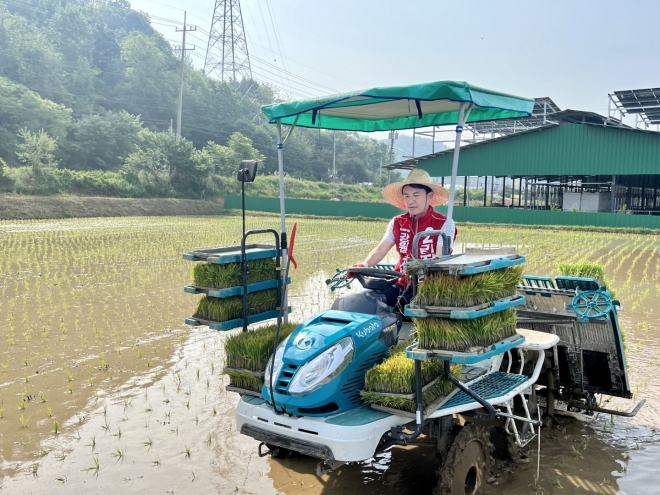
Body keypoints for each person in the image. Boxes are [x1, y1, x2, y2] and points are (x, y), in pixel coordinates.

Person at [350, 169, 456, 310]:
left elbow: (440, 258)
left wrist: (419, 270)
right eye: (406, 196)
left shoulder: (444, 223)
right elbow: (381, 249)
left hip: (428, 288)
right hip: (400, 285)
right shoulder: (397, 222)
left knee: (421, 311)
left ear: (429, 196)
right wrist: (364, 264)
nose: (411, 201)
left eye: (416, 195)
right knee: (362, 301)